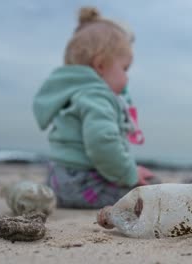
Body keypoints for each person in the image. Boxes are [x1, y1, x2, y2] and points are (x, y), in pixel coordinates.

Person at [32, 6, 156, 209]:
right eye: (125, 68)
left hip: (58, 180)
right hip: (83, 185)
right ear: (100, 65)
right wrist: (130, 174)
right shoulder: (97, 95)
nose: (127, 77)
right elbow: (102, 142)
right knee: (150, 189)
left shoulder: (77, 93)